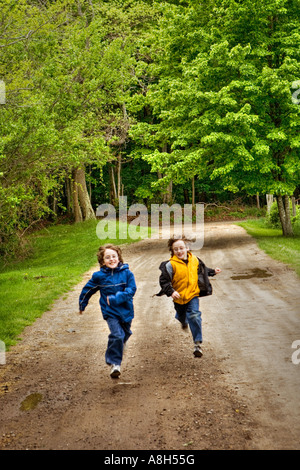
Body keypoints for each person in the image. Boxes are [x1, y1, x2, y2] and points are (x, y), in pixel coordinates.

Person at [156, 235, 221, 357]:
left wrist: (212, 272)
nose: (179, 251)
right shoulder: (170, 265)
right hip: (178, 298)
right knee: (182, 316)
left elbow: (202, 270)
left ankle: (197, 344)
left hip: (192, 294)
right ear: (172, 251)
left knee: (194, 315)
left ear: (187, 248)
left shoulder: (195, 260)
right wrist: (171, 292)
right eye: (176, 249)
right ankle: (182, 319)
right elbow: (164, 281)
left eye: (181, 248)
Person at [78, 244, 137, 379]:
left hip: (126, 311)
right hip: (110, 312)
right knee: (117, 335)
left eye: (114, 256)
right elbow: (87, 290)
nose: (111, 259)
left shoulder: (127, 274)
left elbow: (131, 290)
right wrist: (82, 304)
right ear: (102, 261)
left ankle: (120, 346)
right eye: (107, 257)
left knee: (125, 333)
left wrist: (116, 298)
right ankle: (115, 363)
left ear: (119, 258)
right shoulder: (99, 276)